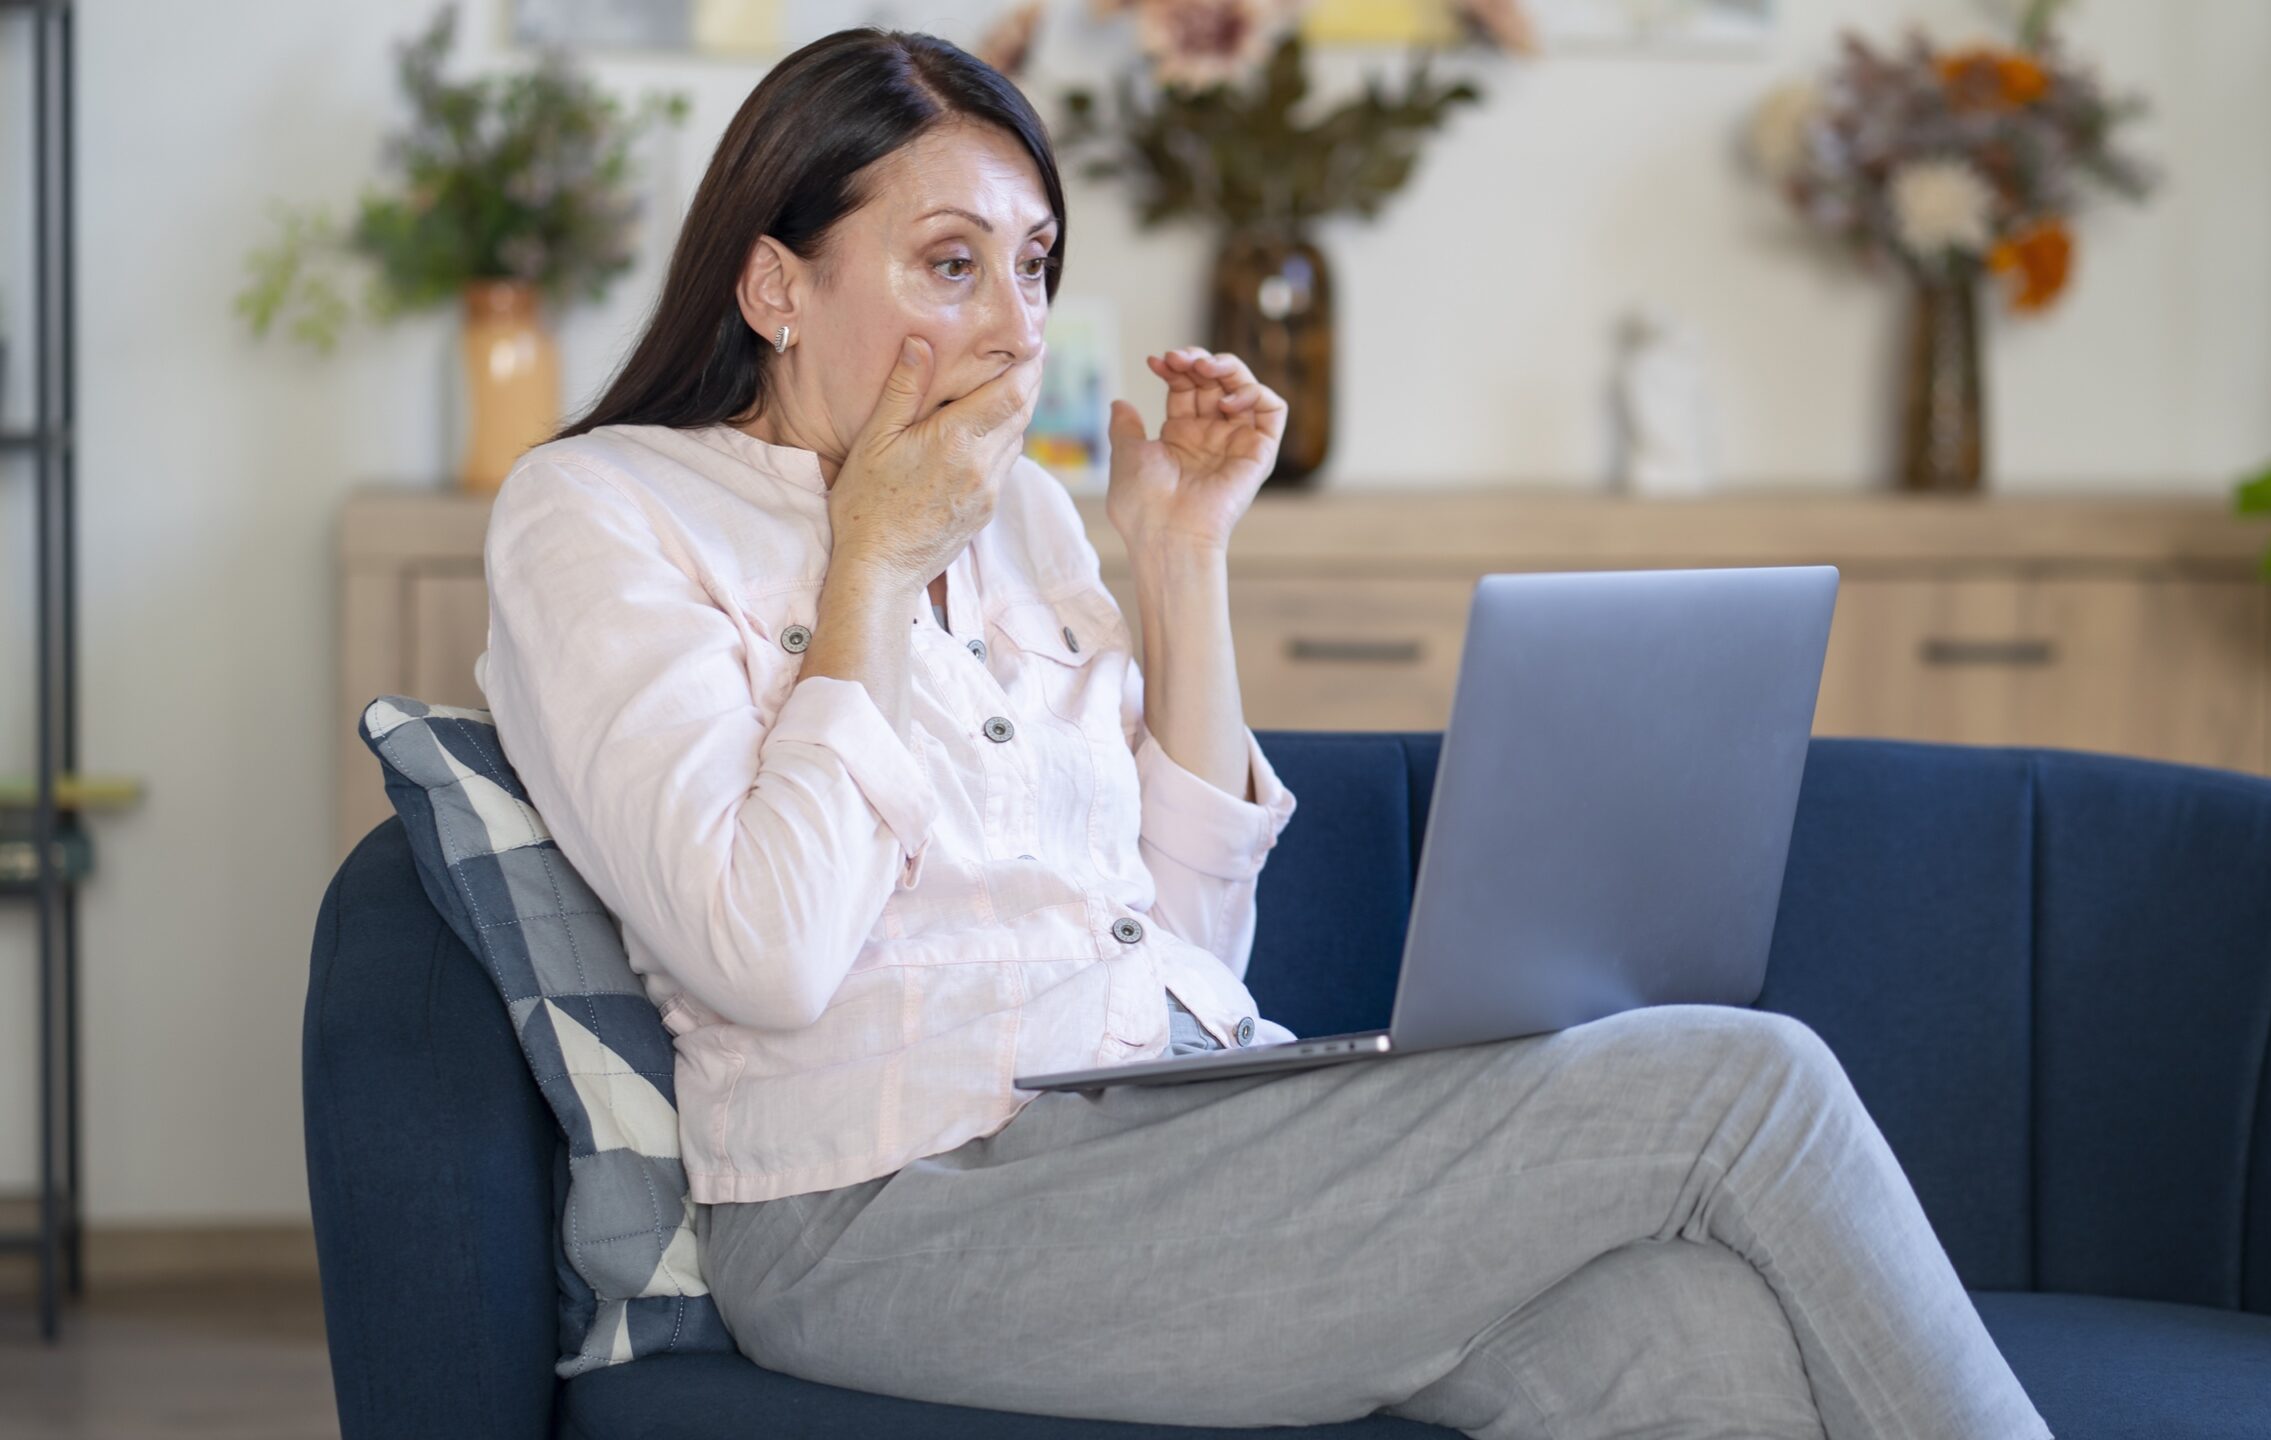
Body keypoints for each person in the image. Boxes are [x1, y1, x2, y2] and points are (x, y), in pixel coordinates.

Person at [477, 26, 2053, 1440]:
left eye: (1034, 267)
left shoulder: (1024, 514)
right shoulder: (605, 513)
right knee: (1741, 1083)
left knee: (1686, 1335)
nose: (1018, 331)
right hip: (880, 1211)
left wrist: (1182, 560)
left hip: (1167, 1130)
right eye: (951, 265)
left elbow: (1190, 948)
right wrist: (873, 565)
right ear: (774, 286)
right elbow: (766, 955)